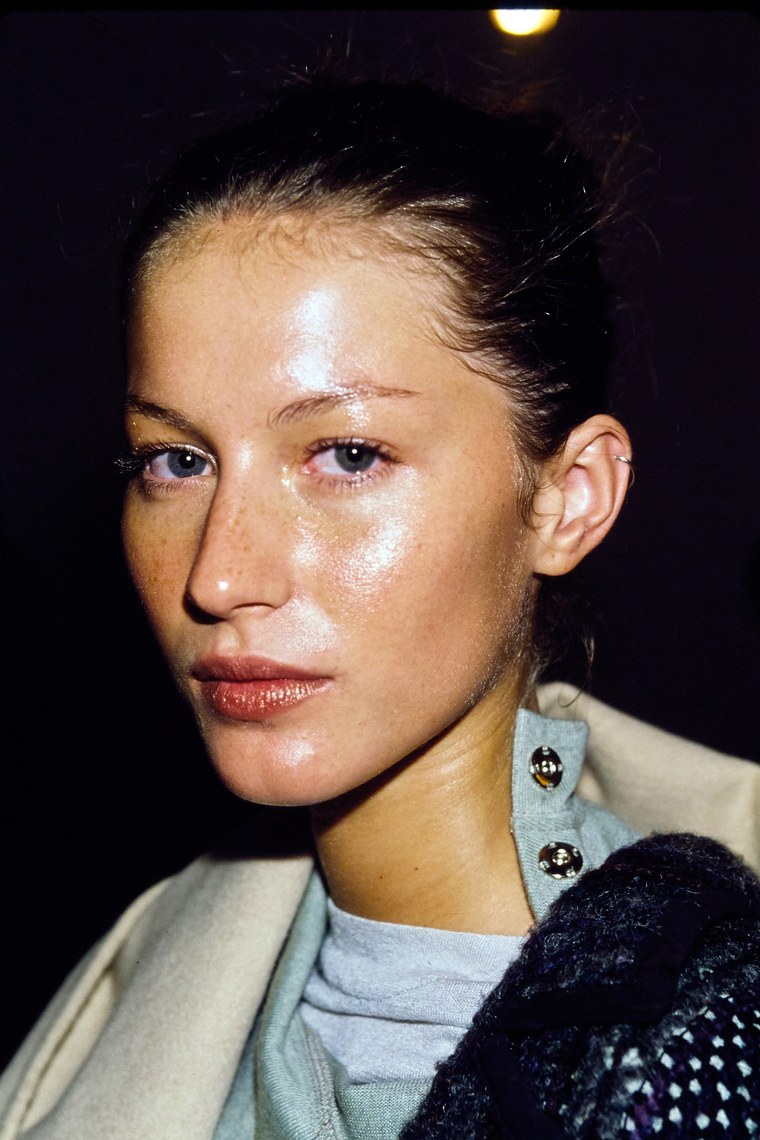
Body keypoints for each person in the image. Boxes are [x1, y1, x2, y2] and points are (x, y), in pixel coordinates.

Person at [1, 74, 759, 1140]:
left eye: (348, 455)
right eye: (175, 461)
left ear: (566, 499)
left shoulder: (695, 1046)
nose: (218, 577)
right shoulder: (127, 981)